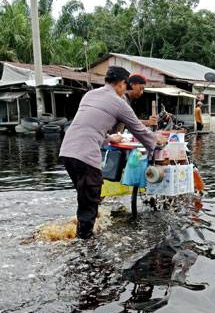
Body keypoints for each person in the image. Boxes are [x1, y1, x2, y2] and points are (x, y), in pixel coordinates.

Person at [59, 66, 163, 239]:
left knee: (86, 198)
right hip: (86, 156)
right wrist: (156, 142)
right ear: (122, 84)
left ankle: (82, 233)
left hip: (67, 152)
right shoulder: (119, 102)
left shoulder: (90, 95)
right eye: (125, 86)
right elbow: (139, 130)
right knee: (89, 204)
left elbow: (88, 125)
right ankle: (85, 249)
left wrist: (108, 139)